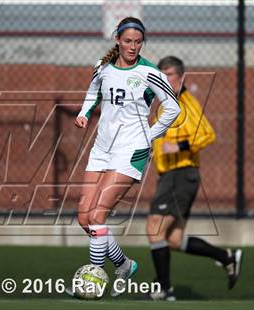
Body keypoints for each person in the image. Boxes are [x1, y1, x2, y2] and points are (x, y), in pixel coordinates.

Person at [66, 17, 180, 298]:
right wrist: (83, 114)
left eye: (138, 42)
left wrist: (149, 135)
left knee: (97, 215)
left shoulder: (150, 72)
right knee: (84, 219)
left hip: (131, 150)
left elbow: (173, 108)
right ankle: (124, 264)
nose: (132, 46)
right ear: (117, 40)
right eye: (127, 41)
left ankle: (93, 280)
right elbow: (93, 93)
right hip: (102, 148)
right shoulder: (102, 66)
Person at [146, 56, 243, 301]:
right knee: (175, 239)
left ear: (181, 77)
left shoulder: (185, 103)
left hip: (181, 173)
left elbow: (207, 134)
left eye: (169, 75)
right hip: (170, 175)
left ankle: (164, 289)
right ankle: (226, 258)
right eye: (161, 75)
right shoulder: (166, 103)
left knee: (154, 228)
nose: (164, 80)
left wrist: (178, 146)